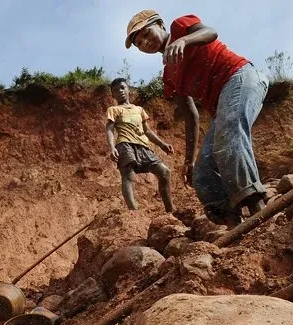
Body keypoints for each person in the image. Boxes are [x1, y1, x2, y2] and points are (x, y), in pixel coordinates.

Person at [125, 9, 268, 226]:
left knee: (229, 135)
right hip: (221, 107)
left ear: (160, 25)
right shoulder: (169, 76)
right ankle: (233, 222)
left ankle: (256, 206)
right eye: (139, 43)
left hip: (240, 77)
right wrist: (189, 160)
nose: (145, 42)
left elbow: (210, 33)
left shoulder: (179, 27)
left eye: (146, 33)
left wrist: (184, 41)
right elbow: (190, 115)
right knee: (203, 170)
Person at [105, 77, 175, 212]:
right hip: (125, 145)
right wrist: (112, 147)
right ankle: (134, 211)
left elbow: (147, 130)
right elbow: (109, 129)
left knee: (164, 172)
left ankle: (170, 210)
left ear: (128, 89)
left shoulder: (139, 109)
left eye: (122, 87)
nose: (120, 91)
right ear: (113, 95)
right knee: (127, 175)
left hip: (143, 147)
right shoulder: (113, 109)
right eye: (116, 90)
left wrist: (162, 144)